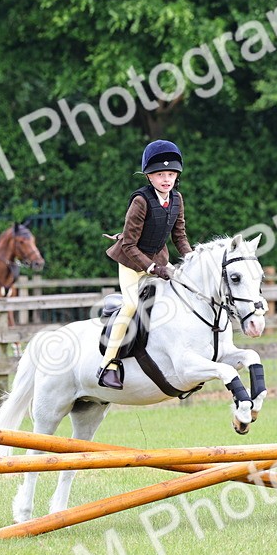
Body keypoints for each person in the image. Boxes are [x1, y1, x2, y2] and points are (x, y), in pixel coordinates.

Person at [96, 139, 193, 389]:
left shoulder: (177, 199)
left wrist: (193, 259)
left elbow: (179, 236)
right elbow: (129, 245)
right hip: (131, 263)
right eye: (160, 174)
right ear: (149, 177)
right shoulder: (140, 201)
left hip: (159, 260)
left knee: (179, 298)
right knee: (130, 307)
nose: (166, 179)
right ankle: (108, 365)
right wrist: (152, 269)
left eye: (171, 174)